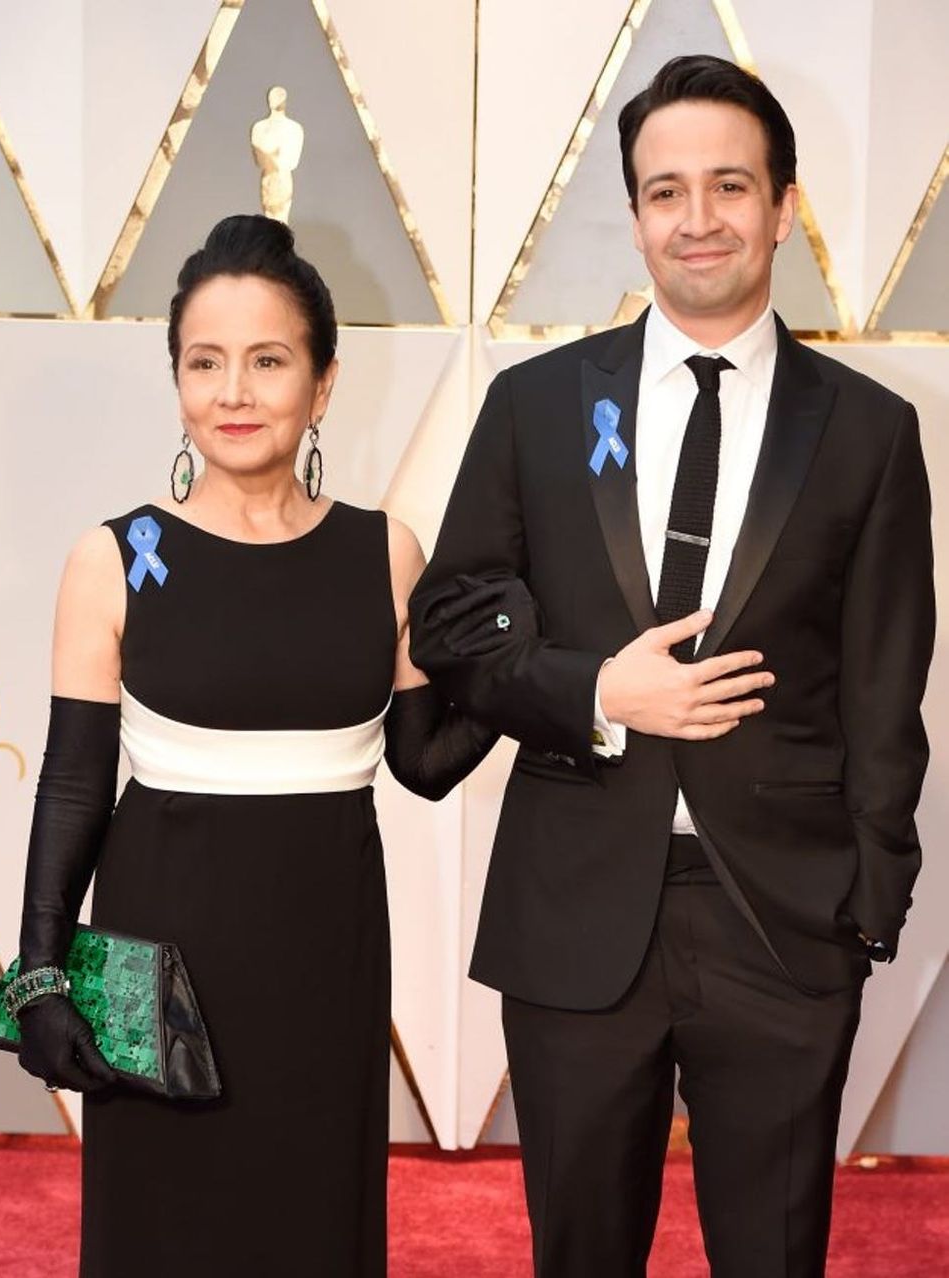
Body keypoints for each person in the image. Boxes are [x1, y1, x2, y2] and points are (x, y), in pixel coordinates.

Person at [410, 55, 934, 1278]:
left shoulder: (867, 431)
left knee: (772, 1254)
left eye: (728, 186)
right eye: (664, 191)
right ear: (634, 213)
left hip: (784, 924)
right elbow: (451, 617)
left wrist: (868, 899)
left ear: (782, 206)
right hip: (575, 906)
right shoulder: (536, 404)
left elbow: (882, 684)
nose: (696, 219)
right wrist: (597, 690)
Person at [10, 214, 524, 1276]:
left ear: (323, 383)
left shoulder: (384, 551)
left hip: (324, 955)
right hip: (156, 954)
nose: (232, 393)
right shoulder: (112, 557)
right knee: (162, 1232)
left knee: (310, 1227)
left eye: (267, 361)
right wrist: (41, 979)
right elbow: (72, 785)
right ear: (176, 380)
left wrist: (531, 671)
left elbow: (422, 761)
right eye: (204, 363)